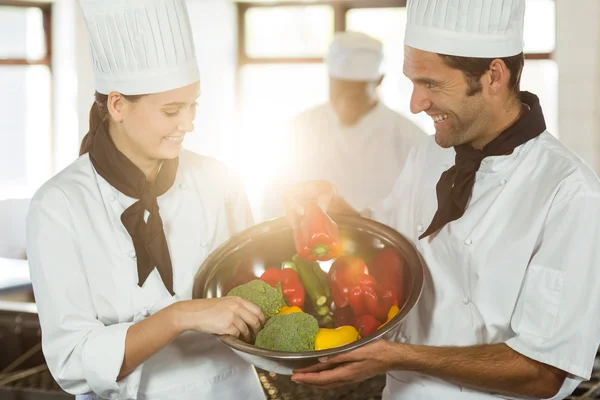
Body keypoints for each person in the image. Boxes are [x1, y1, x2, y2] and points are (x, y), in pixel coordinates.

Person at [285, 0, 600, 399]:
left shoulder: (569, 191)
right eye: (413, 82)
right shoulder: (430, 152)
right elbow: (387, 244)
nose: (416, 103)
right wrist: (329, 205)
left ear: (494, 75)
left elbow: (543, 372)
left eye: (431, 84)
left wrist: (398, 356)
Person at [25, 1, 266, 399]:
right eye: (171, 110)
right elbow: (71, 359)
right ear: (117, 105)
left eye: (193, 105)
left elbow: (258, 290)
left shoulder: (218, 180)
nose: (188, 124)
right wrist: (180, 316)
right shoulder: (58, 205)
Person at [260, 31, 426, 221]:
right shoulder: (297, 130)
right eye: (338, 91)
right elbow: (273, 202)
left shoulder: (412, 140)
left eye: (356, 96)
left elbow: (417, 216)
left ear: (379, 81)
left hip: (385, 248)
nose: (344, 105)